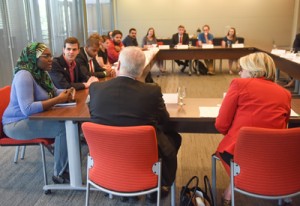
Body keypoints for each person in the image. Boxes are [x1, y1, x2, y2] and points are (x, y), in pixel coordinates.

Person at [89, 46, 182, 202]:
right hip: (140, 151)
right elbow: (165, 122)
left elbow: (94, 116)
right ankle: (158, 185)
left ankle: (121, 185)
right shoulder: (151, 91)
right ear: (141, 70)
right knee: (173, 137)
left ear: (118, 65)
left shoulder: (96, 88)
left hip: (107, 151)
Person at [215, 52, 291, 206]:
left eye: (242, 68)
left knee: (240, 155)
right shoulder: (285, 93)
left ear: (253, 70)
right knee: (254, 156)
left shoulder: (239, 84)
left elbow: (221, 125)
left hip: (240, 152)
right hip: (275, 155)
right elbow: (285, 126)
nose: (239, 72)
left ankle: (233, 188)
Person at [2, 42, 74, 184]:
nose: (51, 59)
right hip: (16, 124)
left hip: (33, 118)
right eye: (46, 56)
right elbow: (27, 109)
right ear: (33, 58)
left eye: (51, 55)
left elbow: (53, 92)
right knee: (64, 129)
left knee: (70, 123)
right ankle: (60, 173)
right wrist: (58, 100)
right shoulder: (24, 75)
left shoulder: (41, 73)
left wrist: (67, 91)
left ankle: (68, 163)